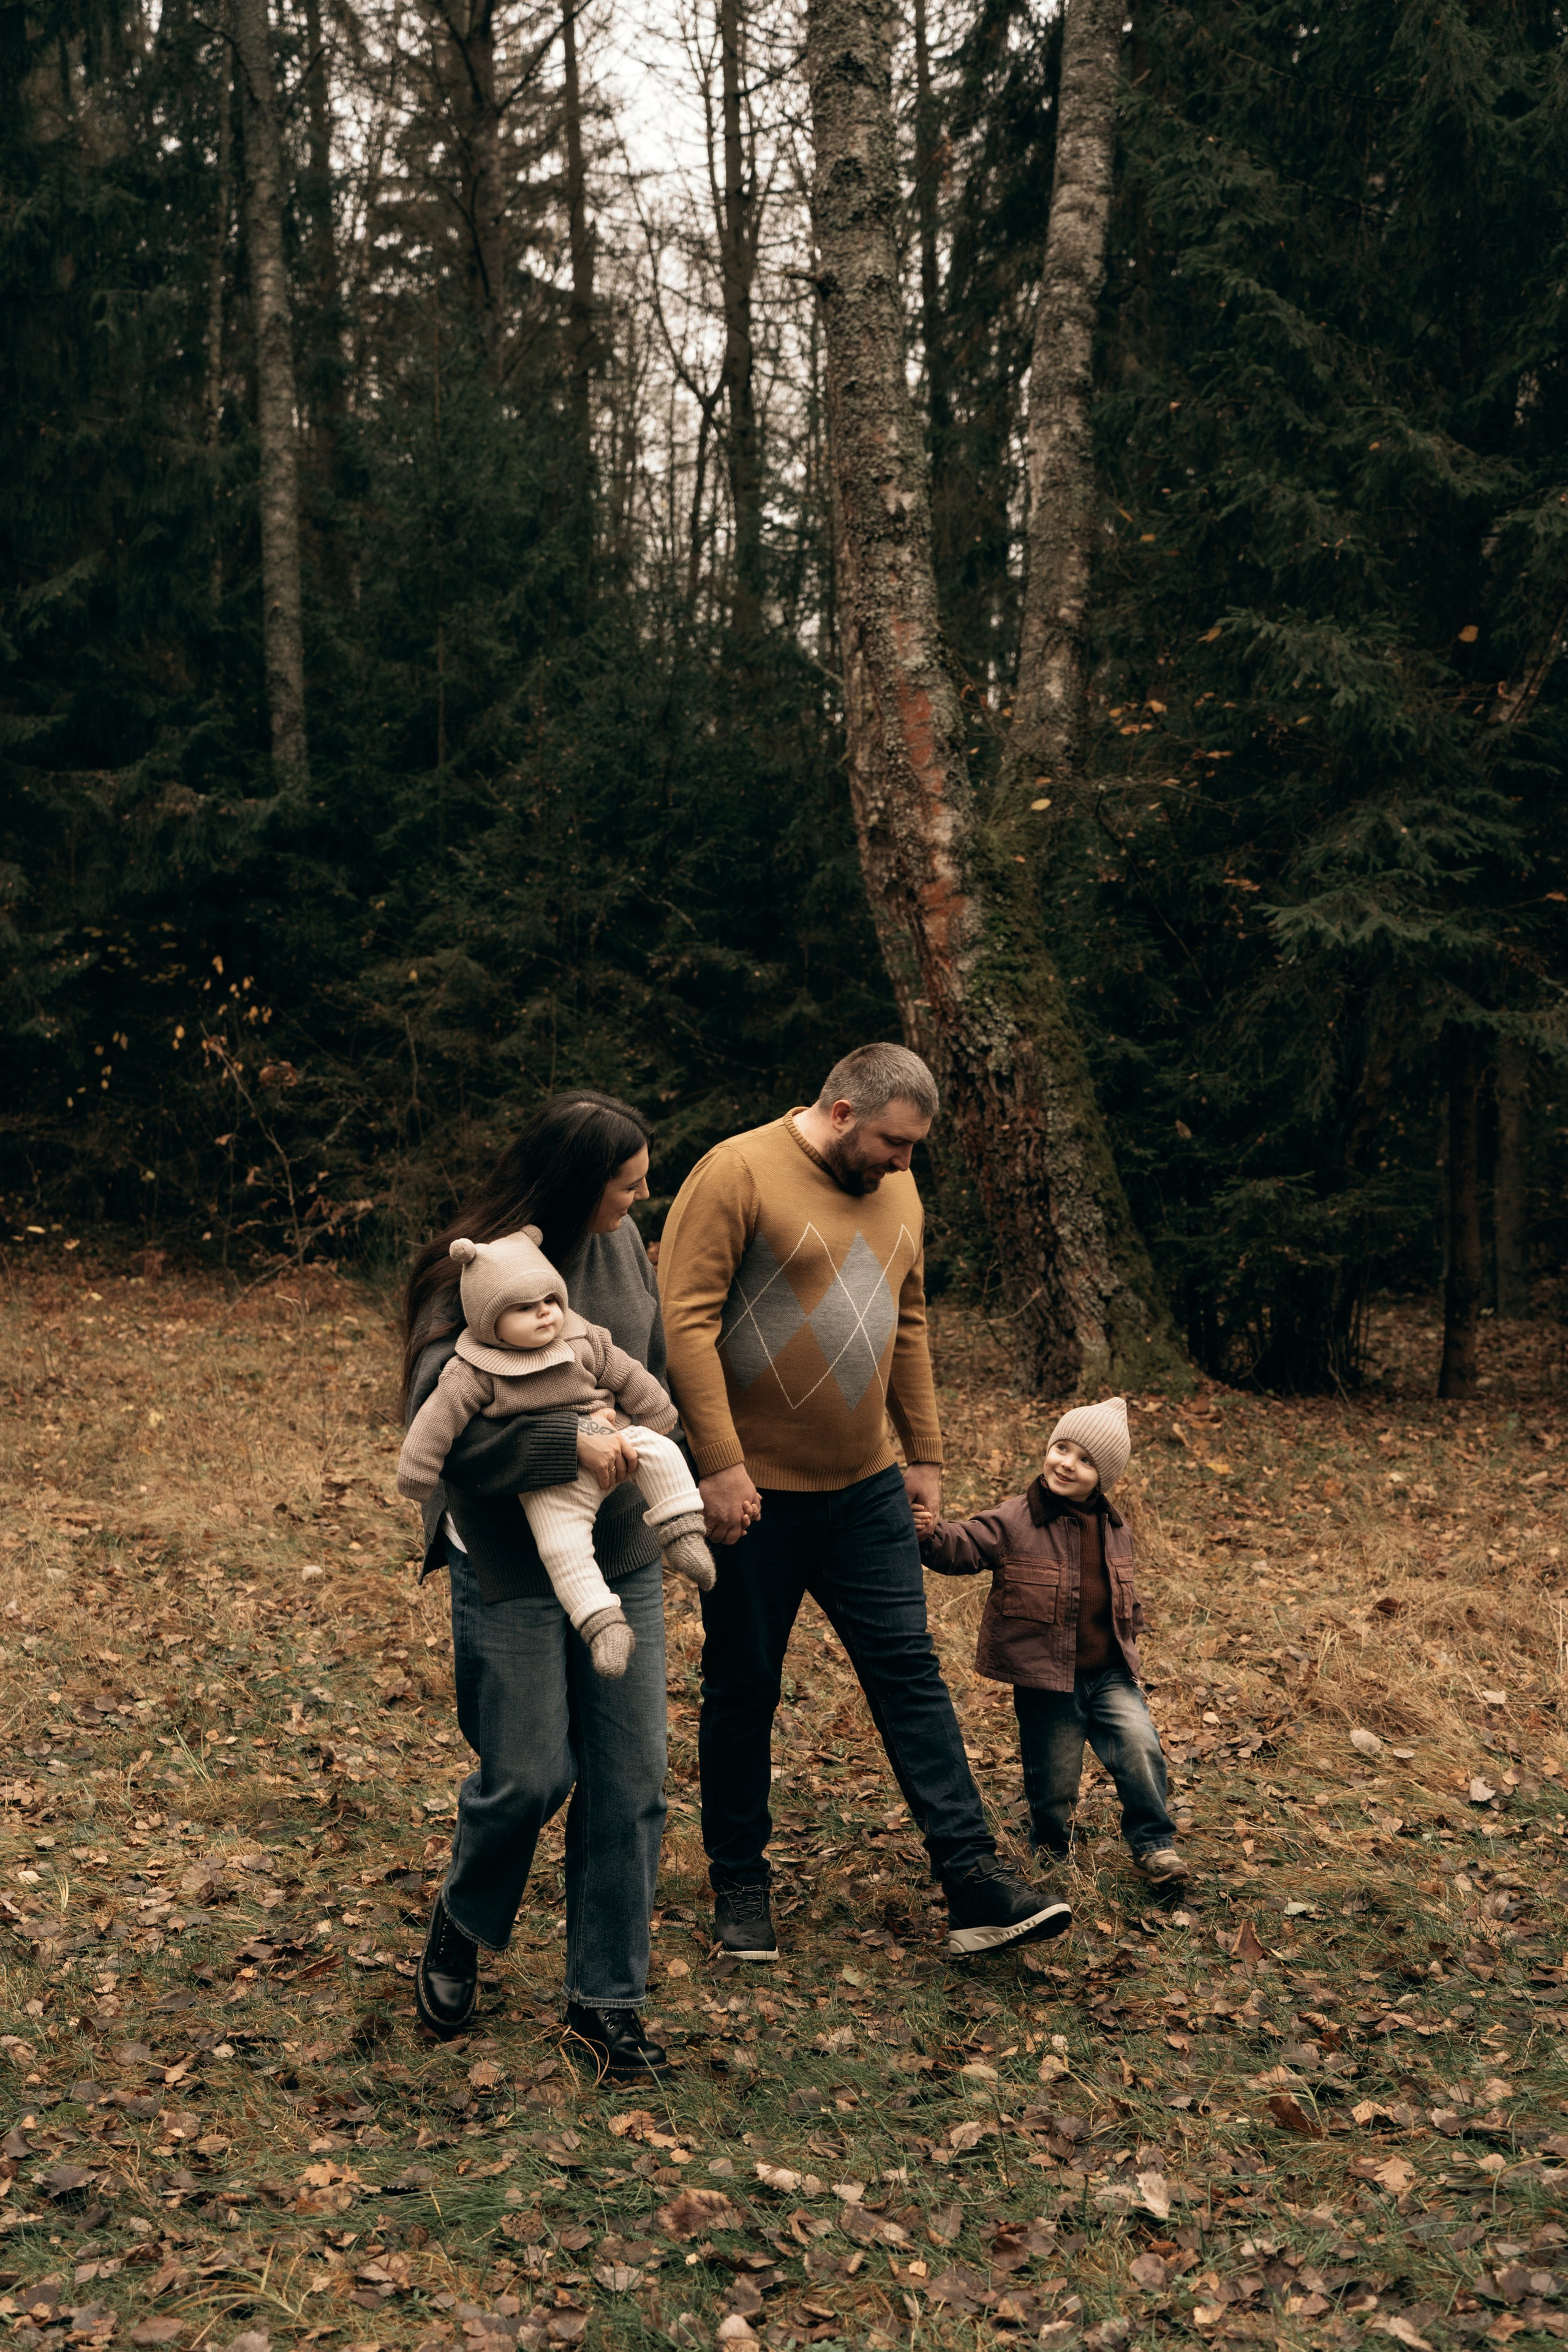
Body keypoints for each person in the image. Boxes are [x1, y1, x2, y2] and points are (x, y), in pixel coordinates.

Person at [657, 1041, 1072, 1961]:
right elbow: (682, 1319)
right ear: (841, 1111)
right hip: (754, 1494)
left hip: (868, 1489)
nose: (903, 1162)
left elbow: (910, 1317)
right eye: (894, 1141)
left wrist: (922, 1450)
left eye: (915, 1147)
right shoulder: (735, 1173)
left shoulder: (900, 1193)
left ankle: (972, 1882)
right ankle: (740, 1883)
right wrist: (718, 1462)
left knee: (909, 1676)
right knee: (743, 1688)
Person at [399, 1091, 676, 2071]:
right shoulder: (464, 1273)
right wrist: (570, 1442)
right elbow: (447, 1442)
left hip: (624, 1548)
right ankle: (465, 1915)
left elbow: (640, 1366)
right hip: (510, 1562)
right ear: (571, 1183)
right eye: (628, 1181)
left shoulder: (622, 1245)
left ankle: (605, 2001)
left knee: (630, 1779)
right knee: (528, 1776)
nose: (643, 1196)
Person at [398, 1225, 714, 1677]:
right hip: (549, 1486)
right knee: (562, 1548)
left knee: (661, 1454)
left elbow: (631, 1377)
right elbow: (435, 1425)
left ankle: (682, 1531)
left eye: (549, 1301)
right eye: (525, 1309)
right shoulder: (474, 1372)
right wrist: (416, 1474)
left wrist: (659, 1415)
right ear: (491, 1322)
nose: (545, 1315)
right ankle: (603, 1623)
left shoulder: (585, 1340)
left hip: (619, 1444)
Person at [914, 1399, 1188, 1884]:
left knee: (1141, 1748)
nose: (1068, 1464)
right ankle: (1052, 1849)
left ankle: (1154, 1846)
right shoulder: (1018, 1520)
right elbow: (965, 1546)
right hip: (1047, 1680)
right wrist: (931, 1535)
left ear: (1102, 1478)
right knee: (1054, 1778)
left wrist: (1133, 1628)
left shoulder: (1115, 1528)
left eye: (1085, 1460)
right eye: (1062, 1448)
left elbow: (1121, 1592)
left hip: (1110, 1675)